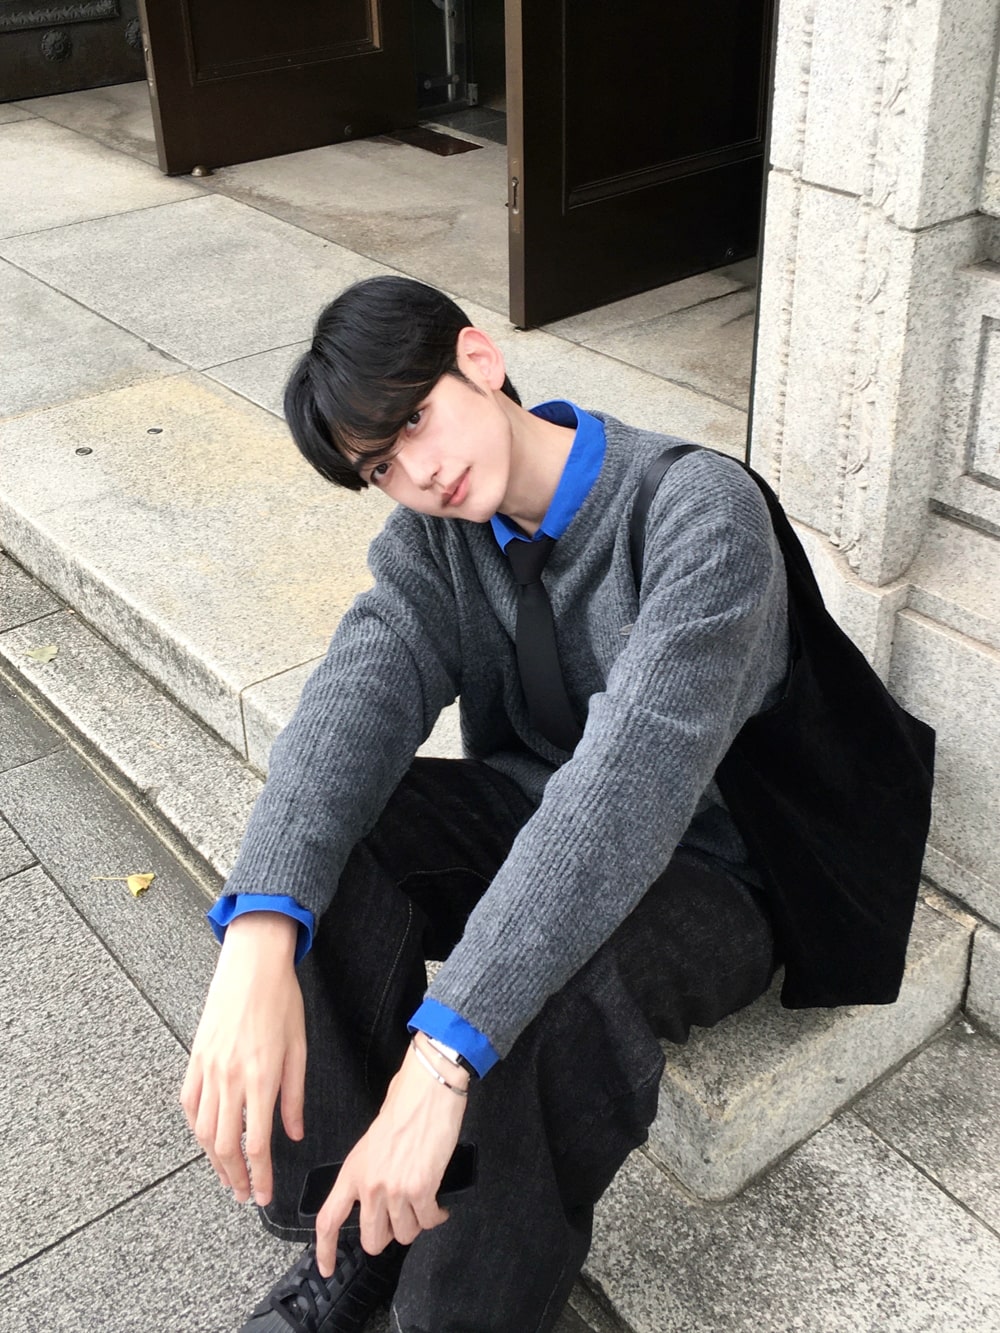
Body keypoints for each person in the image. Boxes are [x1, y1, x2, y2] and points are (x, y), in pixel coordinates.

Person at [181, 275, 791, 1333]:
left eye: (415, 418)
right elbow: (356, 697)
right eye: (380, 465)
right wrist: (260, 928)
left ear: (479, 359)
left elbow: (624, 795)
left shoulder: (700, 514)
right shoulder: (441, 539)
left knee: (542, 995)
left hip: (715, 870)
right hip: (538, 809)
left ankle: (455, 1311)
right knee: (335, 840)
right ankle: (352, 1228)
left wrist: (442, 1052)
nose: (417, 473)